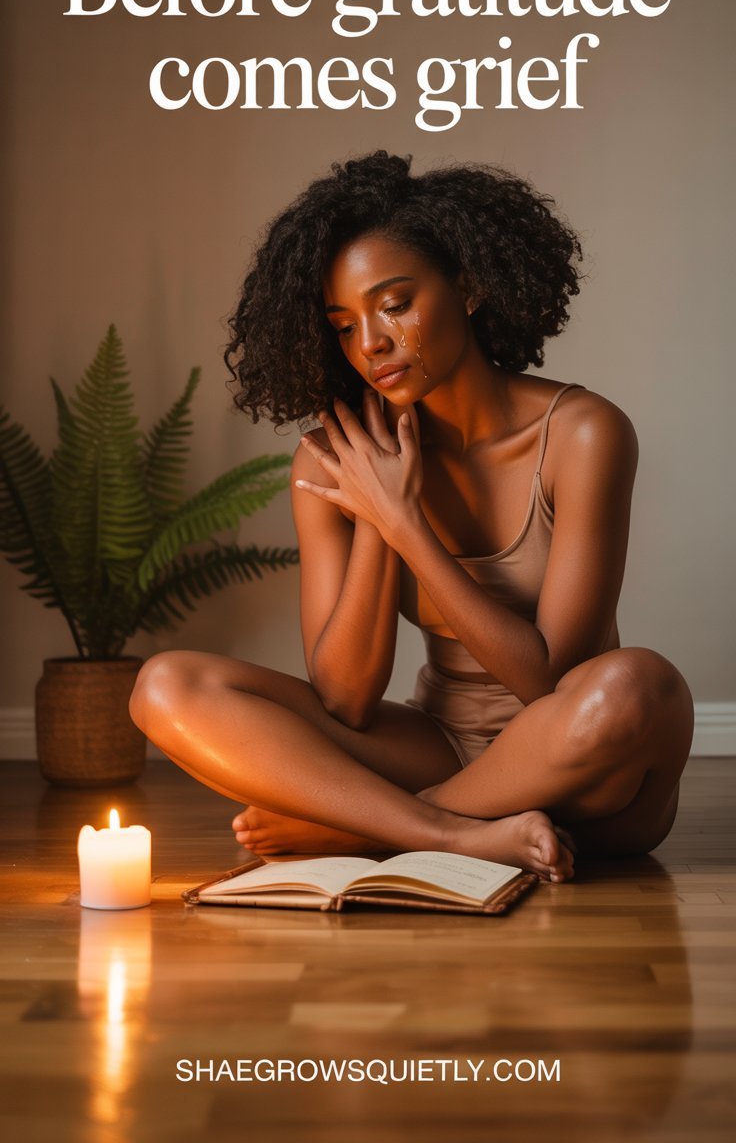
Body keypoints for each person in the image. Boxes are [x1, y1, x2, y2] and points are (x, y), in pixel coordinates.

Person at [129, 151, 694, 882]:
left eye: (394, 303)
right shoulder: (330, 463)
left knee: (638, 686)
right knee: (165, 685)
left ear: (468, 287)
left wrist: (405, 526)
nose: (370, 344)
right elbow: (346, 699)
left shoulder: (584, 432)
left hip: (584, 765)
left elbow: (546, 682)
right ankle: (450, 835)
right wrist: (372, 513)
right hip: (439, 742)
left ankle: (369, 831)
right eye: (342, 324)